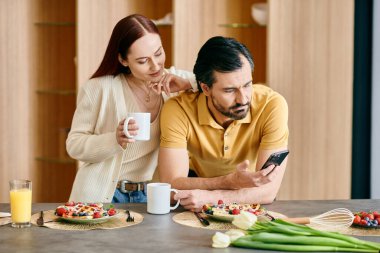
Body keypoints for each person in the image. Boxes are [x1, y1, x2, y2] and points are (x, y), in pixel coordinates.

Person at [66, 14, 197, 203]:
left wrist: (186, 84)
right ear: (123, 60)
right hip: (102, 194)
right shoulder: (98, 88)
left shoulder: (172, 81)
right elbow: (74, 145)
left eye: (158, 53)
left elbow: (214, 82)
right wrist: (114, 139)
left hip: (148, 195)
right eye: (143, 61)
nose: (155, 66)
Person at [158, 36, 289, 211]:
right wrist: (229, 182)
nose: (243, 99)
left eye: (247, 85)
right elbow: (171, 184)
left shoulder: (271, 105)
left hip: (247, 199)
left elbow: (268, 192)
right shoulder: (178, 109)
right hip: (196, 197)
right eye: (230, 90)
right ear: (205, 88)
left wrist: (213, 197)